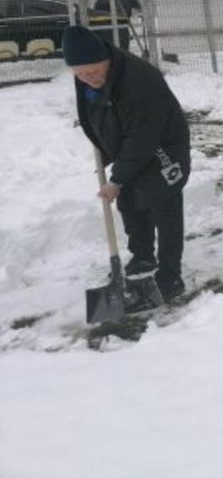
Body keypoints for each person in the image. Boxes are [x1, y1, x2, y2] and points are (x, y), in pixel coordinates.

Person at [62, 25, 191, 301]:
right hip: (128, 145)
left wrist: (117, 178)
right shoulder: (89, 73)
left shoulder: (139, 80)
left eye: (94, 71)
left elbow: (142, 137)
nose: (89, 78)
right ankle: (143, 255)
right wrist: (106, 150)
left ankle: (171, 276)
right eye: (80, 74)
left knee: (163, 203)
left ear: (106, 59)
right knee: (130, 202)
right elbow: (97, 113)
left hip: (162, 146)